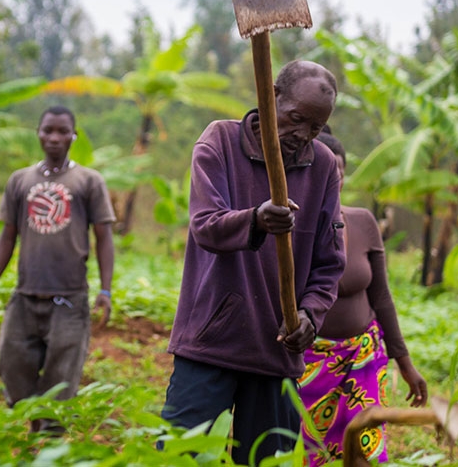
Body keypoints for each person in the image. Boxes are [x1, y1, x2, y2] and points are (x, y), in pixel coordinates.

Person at [161, 60, 346, 464]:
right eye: (296, 119)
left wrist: (310, 316)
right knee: (176, 456)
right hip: (210, 342)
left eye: (315, 128)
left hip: (277, 353)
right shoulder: (220, 141)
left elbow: (329, 265)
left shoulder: (324, 167)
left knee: (267, 461)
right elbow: (206, 227)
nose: (303, 135)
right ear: (271, 96)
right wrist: (256, 219)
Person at [0, 105, 114, 432]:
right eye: (48, 130)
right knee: (11, 366)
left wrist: (105, 290)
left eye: (62, 131)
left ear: (73, 136)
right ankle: (32, 425)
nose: (54, 137)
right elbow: (8, 237)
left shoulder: (89, 181)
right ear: (38, 134)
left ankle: (49, 441)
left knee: (61, 376)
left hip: (70, 299)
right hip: (25, 296)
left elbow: (104, 238)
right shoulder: (20, 181)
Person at [299, 131, 428, 466]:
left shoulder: (362, 222)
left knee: (364, 450)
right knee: (309, 451)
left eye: (338, 170)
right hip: (308, 364)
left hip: (363, 358)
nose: (334, 178)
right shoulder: (291, 228)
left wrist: (405, 363)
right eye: (325, 169)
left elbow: (381, 297)